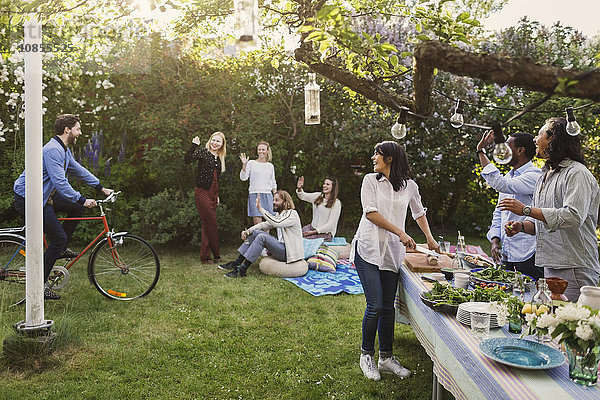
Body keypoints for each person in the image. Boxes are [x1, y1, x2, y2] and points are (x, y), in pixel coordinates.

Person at [351, 141, 439, 381]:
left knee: (388, 307)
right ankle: (366, 355)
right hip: (368, 249)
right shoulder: (370, 180)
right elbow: (370, 213)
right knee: (376, 305)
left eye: (376, 154)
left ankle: (386, 358)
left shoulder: (409, 186)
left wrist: (429, 239)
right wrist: (400, 232)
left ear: (389, 158)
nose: (372, 158)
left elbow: (418, 212)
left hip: (391, 253)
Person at [13, 114, 113, 300]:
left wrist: (100, 187)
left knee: (76, 209)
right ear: (67, 130)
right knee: (59, 238)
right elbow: (60, 182)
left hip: (43, 194)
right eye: (78, 129)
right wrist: (82, 198)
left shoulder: (63, 149)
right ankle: (39, 286)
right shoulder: (53, 150)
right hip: (30, 198)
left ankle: (59, 248)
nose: (80, 133)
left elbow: (77, 169)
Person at [501, 117, 600, 302]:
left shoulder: (577, 173)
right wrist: (522, 227)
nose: (535, 140)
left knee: (574, 327)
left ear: (553, 140)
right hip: (551, 263)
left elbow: (572, 217)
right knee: (552, 324)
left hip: (575, 266)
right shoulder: (544, 175)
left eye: (540, 135)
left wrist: (527, 211)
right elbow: (543, 221)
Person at [476, 131, 543, 279]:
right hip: (508, 254)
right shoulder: (508, 177)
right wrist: (495, 240)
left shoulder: (534, 176)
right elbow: (499, 213)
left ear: (520, 151)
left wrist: (481, 151)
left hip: (528, 253)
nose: (504, 149)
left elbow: (500, 184)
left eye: (508, 145)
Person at [219, 190, 303, 278]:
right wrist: (248, 231)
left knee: (262, 237)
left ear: (285, 202)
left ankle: (242, 270)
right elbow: (264, 225)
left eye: (277, 200)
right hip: (282, 249)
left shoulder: (292, 214)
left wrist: (260, 209)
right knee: (255, 232)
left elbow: (277, 223)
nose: (274, 202)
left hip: (289, 253)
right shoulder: (279, 215)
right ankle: (237, 262)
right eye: (273, 200)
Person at [184, 131, 226, 264]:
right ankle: (216, 255)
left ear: (222, 144)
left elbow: (216, 179)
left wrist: (217, 195)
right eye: (213, 140)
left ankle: (205, 256)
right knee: (211, 223)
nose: (215, 143)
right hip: (202, 192)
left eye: (218, 141)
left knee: (206, 224)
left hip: (213, 193)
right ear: (210, 140)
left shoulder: (219, 158)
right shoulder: (203, 152)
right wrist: (193, 145)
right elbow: (187, 160)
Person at [239, 141, 277, 226]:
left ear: (267, 151)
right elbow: (243, 178)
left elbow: (273, 182)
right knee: (258, 224)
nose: (261, 151)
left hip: (268, 195)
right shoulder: (251, 163)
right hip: (254, 194)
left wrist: (276, 195)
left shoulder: (270, 166)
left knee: (268, 224)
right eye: (259, 149)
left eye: (263, 149)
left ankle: (267, 239)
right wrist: (244, 165)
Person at [296, 176, 342, 241]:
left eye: (327, 184)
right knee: (295, 235)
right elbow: (303, 196)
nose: (324, 186)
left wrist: (313, 232)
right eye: (324, 183)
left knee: (303, 240)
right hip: (312, 228)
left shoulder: (336, 203)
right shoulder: (318, 196)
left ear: (333, 187)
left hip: (325, 233)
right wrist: (299, 188)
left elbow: (330, 225)